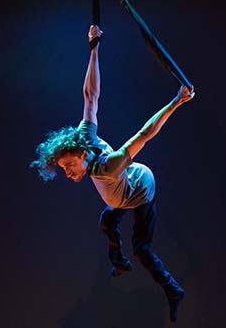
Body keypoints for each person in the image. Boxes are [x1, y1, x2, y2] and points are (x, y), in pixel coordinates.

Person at [29, 25, 194, 323]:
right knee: (106, 219)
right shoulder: (85, 138)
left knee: (141, 248)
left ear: (81, 156)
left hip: (140, 190)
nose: (67, 174)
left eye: (68, 167)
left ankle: (173, 290)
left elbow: (145, 134)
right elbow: (90, 95)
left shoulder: (107, 167)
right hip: (118, 196)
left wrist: (176, 102)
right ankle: (118, 262)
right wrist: (94, 46)